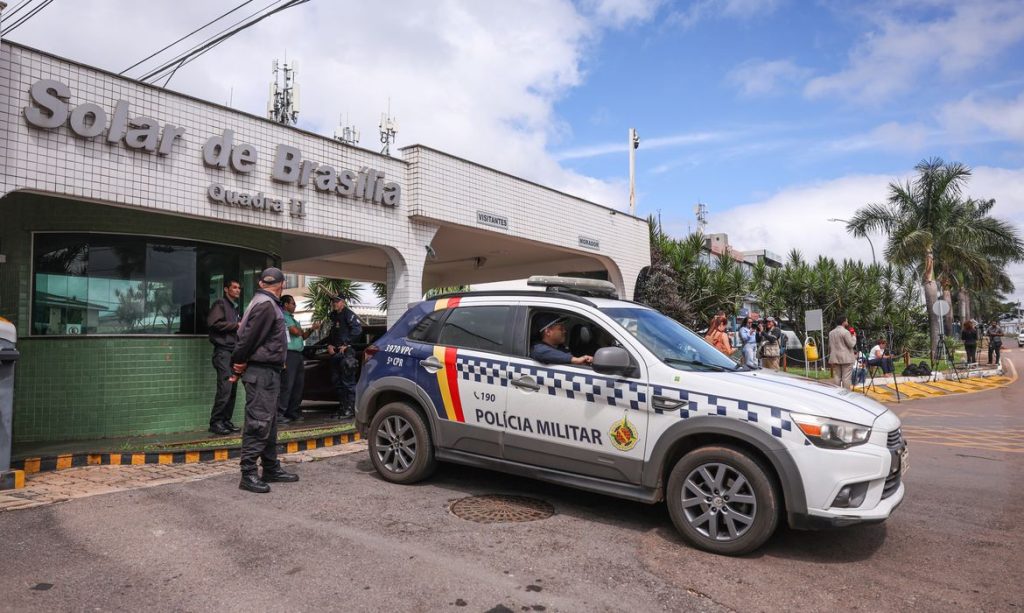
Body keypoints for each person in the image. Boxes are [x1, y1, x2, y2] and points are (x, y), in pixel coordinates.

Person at [231, 267, 298, 494]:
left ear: (261, 283)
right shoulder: (267, 305)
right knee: (258, 422)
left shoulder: (262, 301)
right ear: (282, 284)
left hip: (267, 372)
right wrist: (238, 361)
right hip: (261, 372)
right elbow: (248, 338)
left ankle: (270, 467)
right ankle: (248, 474)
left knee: (269, 423)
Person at [277, 295, 320, 424]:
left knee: (298, 385)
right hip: (289, 354)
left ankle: (292, 411)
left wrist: (311, 329)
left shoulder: (293, 319)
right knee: (287, 384)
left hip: (298, 354)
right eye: (293, 303)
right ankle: (280, 413)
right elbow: (295, 332)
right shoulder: (283, 317)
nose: (295, 306)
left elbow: (303, 336)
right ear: (285, 304)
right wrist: (300, 330)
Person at [207, 279, 242, 436]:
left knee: (232, 389)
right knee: (225, 388)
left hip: (233, 352)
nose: (238, 290)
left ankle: (226, 421)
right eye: (234, 287)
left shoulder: (234, 308)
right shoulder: (220, 304)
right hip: (223, 352)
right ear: (226, 289)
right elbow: (213, 323)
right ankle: (215, 423)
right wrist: (236, 325)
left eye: (239, 288)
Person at [327, 295, 362, 419]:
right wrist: (329, 345)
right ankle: (343, 407)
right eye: (333, 301)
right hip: (335, 353)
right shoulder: (333, 316)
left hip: (347, 353)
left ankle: (351, 409)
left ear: (343, 302)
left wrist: (346, 344)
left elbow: (357, 330)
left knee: (348, 383)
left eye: (337, 301)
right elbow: (332, 333)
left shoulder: (348, 314)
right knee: (337, 383)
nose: (334, 303)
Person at [828, 314, 857, 389]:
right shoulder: (845, 332)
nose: (847, 322)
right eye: (846, 321)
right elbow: (851, 344)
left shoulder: (831, 333)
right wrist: (854, 337)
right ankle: (845, 393)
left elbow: (830, 345)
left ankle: (835, 392)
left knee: (837, 376)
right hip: (846, 358)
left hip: (835, 357)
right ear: (843, 322)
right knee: (846, 377)